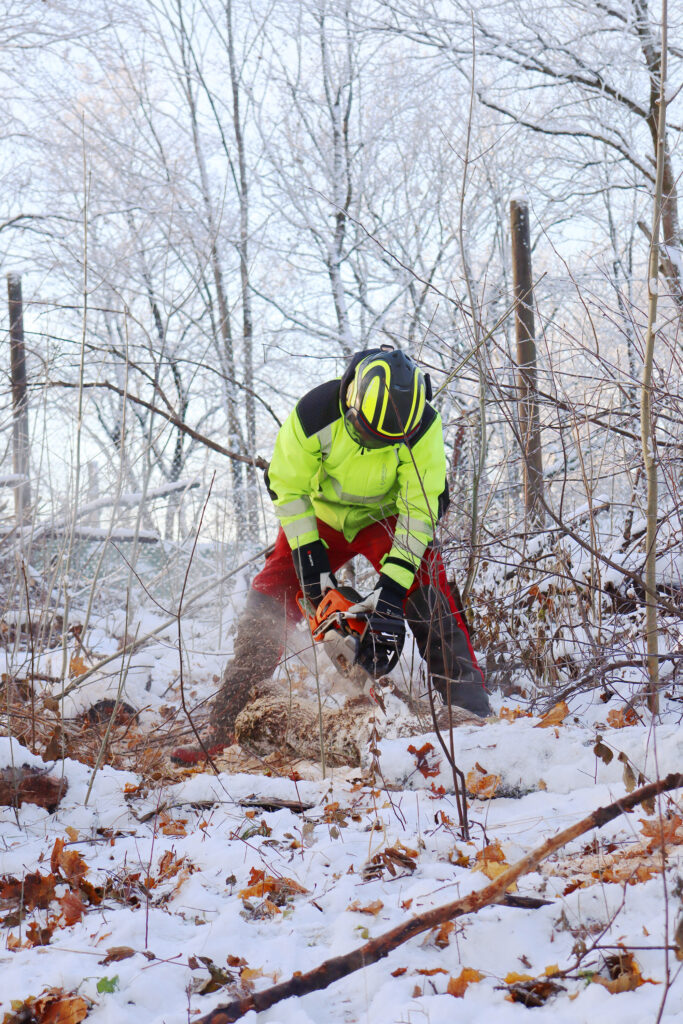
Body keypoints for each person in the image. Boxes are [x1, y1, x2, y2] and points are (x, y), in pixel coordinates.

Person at [172, 347, 490, 765]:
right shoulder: (315, 413)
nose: (374, 444)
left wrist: (392, 594)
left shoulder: (422, 428)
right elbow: (287, 485)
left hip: (384, 516)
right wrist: (309, 564)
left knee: (427, 586)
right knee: (271, 592)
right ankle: (224, 723)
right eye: (367, 434)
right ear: (350, 400)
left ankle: (470, 711)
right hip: (318, 515)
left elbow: (420, 511)